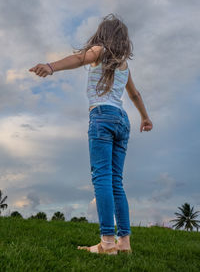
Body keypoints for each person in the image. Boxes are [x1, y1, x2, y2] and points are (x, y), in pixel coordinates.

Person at [29, 13, 153, 255]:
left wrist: (51, 67)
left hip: (102, 116)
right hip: (122, 120)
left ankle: (107, 243)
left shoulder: (99, 50)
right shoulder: (124, 65)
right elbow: (135, 95)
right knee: (116, 181)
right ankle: (124, 243)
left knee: (103, 178)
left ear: (103, 34)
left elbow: (78, 58)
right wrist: (145, 117)